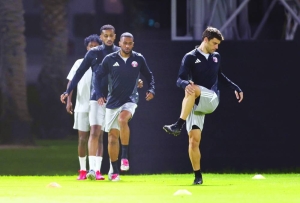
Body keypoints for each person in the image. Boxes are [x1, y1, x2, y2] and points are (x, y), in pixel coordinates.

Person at [163, 26, 244, 185]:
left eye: (218, 44)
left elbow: (219, 76)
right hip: (195, 101)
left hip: (212, 98)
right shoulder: (190, 57)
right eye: (214, 43)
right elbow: (179, 80)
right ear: (205, 39)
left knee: (192, 89)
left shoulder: (216, 57)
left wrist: (236, 87)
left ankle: (178, 124)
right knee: (193, 140)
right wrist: (186, 83)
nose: (216, 47)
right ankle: (198, 176)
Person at [61, 25, 120, 180]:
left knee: (112, 135)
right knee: (91, 134)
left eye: (110, 35)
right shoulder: (91, 56)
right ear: (101, 37)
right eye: (105, 35)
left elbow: (128, 72)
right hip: (94, 100)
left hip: (113, 100)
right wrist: (68, 94)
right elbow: (78, 74)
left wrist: (137, 81)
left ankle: (111, 171)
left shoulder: (119, 53)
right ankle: (89, 170)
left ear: (114, 37)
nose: (108, 38)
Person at [95, 32, 155, 181]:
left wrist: (151, 89)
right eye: (125, 43)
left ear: (133, 44)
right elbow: (97, 75)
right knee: (112, 137)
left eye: (130, 43)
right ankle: (114, 171)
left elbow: (149, 75)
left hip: (130, 99)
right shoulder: (110, 59)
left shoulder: (138, 58)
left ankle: (124, 156)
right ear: (119, 44)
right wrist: (98, 94)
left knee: (123, 120)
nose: (127, 46)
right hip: (113, 101)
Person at [65, 34, 102, 180]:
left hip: (99, 106)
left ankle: (97, 170)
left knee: (99, 138)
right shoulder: (79, 62)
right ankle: (82, 170)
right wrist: (69, 100)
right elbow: (71, 82)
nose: (92, 48)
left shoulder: (103, 62)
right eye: (90, 46)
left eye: (95, 46)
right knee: (82, 139)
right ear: (86, 48)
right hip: (81, 106)